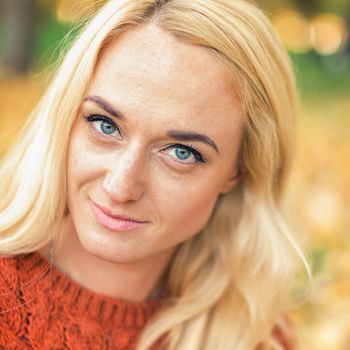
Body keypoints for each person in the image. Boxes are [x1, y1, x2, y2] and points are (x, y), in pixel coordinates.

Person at [0, 0, 307, 349]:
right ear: (66, 116)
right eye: (104, 125)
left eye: (181, 152)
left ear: (239, 171)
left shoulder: (254, 333)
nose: (120, 186)